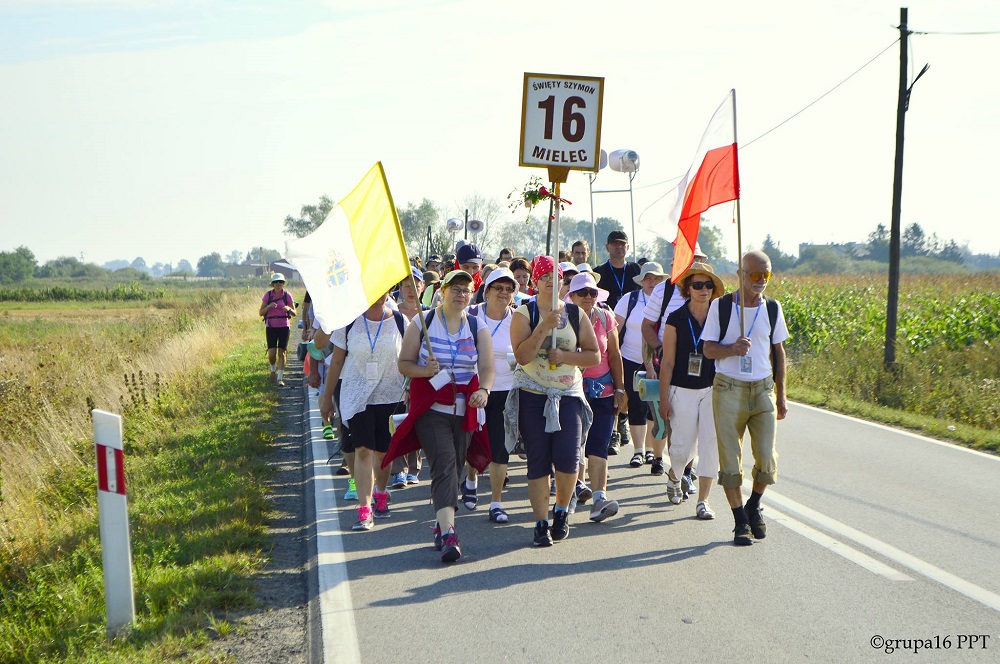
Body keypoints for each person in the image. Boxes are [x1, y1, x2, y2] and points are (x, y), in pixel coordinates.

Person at [386, 269, 495, 563]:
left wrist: (484, 390)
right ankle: (449, 534)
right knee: (445, 463)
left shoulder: (477, 327)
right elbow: (404, 364)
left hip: (465, 411)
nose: (461, 295)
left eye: (466, 290)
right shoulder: (424, 323)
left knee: (454, 466)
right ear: (442, 292)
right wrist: (425, 370)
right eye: (455, 289)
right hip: (432, 410)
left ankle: (441, 523)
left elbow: (487, 368)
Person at [507, 256, 599, 547]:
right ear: (535, 280)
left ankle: (561, 511)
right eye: (544, 275)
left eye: (555, 275)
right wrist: (544, 326)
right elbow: (522, 356)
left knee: (569, 458)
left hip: (568, 393)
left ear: (563, 281)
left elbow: (594, 355)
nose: (550, 280)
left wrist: (567, 357)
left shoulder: (575, 314)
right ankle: (540, 522)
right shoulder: (525, 312)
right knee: (538, 461)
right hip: (533, 394)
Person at [702, 250, 789, 546]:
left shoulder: (773, 308)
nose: (761, 281)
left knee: (767, 457)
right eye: (755, 275)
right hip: (728, 389)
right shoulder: (721, 307)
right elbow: (708, 350)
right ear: (740, 274)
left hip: (763, 388)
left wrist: (782, 396)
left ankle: (754, 505)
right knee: (730, 461)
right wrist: (731, 350)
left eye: (766, 275)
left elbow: (778, 352)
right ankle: (740, 521)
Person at [317, 293, 407, 532]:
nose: (379, 295)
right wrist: (327, 399)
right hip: (356, 395)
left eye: (384, 290)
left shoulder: (399, 321)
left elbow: (410, 357)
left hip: (390, 396)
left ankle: (381, 492)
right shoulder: (350, 323)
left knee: (383, 453)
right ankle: (364, 510)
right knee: (363, 449)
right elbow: (336, 362)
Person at [657, 263, 725, 519]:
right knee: (682, 447)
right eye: (697, 285)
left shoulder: (720, 317)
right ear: (688, 289)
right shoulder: (676, 318)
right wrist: (664, 398)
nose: (703, 290)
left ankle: (703, 501)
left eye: (708, 285)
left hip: (712, 388)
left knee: (709, 445)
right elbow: (668, 362)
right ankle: (675, 474)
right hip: (682, 389)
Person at [567, 272, 626, 523]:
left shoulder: (604, 317)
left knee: (599, 445)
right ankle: (570, 492)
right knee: (573, 445)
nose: (589, 297)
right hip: (571, 389)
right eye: (583, 293)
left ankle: (599, 498)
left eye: (592, 292)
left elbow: (614, 355)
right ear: (572, 296)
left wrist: (621, 390)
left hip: (603, 391)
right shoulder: (562, 320)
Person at [465, 268, 518, 522]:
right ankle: (471, 480)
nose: (504, 293)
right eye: (498, 287)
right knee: (471, 442)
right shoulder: (472, 315)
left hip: (505, 391)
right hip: (473, 390)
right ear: (486, 291)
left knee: (500, 449)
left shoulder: (519, 319)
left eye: (509, 289)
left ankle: (496, 502)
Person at [614, 261, 668, 468]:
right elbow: (615, 330)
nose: (652, 282)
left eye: (656, 278)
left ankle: (650, 452)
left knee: (654, 407)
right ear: (641, 281)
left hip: (659, 361)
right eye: (648, 278)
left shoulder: (668, 301)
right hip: (630, 360)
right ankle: (638, 451)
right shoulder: (630, 299)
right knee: (636, 404)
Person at [594, 231, 641, 454]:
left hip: (631, 334)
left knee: (627, 383)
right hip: (607, 331)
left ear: (627, 247)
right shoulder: (600, 273)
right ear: (607, 247)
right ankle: (614, 427)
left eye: (622, 244)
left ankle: (623, 418)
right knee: (612, 379)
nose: (618, 248)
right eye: (614, 244)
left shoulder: (635, 272)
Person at [390, 268, 428, 489]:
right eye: (406, 285)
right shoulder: (393, 313)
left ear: (422, 287)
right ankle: (398, 470)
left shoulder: (430, 313)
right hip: (396, 375)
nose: (411, 289)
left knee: (417, 421)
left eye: (415, 284)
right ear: (400, 289)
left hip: (421, 375)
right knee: (397, 423)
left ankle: (414, 469)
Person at [258, 272, 296, 386]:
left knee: (282, 353)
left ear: (283, 284)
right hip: (271, 326)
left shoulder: (287, 295)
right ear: (273, 284)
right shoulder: (268, 295)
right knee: (271, 354)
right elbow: (261, 312)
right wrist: (269, 306)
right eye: (276, 282)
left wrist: (288, 309)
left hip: (284, 326)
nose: (278, 284)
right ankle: (273, 370)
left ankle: (280, 378)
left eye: (280, 282)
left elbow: (294, 313)